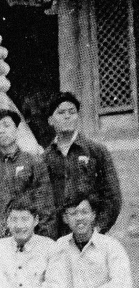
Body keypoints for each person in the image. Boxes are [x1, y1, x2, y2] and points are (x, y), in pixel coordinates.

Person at [0, 109, 56, 253]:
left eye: (6, 125)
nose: (1, 131)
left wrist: (44, 241)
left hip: (27, 236)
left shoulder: (33, 162)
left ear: (17, 129)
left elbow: (45, 205)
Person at [44, 92, 121, 237]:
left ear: (78, 116)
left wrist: (98, 228)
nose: (67, 116)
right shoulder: (45, 158)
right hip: (57, 237)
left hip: (91, 233)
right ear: (50, 120)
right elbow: (41, 201)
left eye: (72, 112)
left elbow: (113, 196)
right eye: (61, 112)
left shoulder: (96, 151)